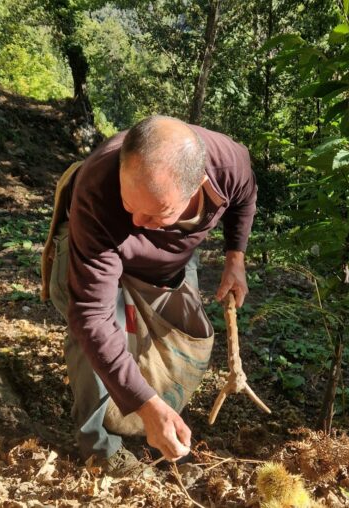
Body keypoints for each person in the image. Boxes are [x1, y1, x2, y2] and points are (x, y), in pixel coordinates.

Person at [42, 115, 257, 476]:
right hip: (93, 252)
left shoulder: (227, 163)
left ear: (196, 187)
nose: (138, 223)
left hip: (168, 266)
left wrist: (236, 257)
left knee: (179, 340)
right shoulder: (98, 186)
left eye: (157, 213)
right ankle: (101, 450)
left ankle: (164, 430)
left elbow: (245, 196)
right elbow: (91, 315)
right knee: (94, 342)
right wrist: (143, 403)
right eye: (130, 206)